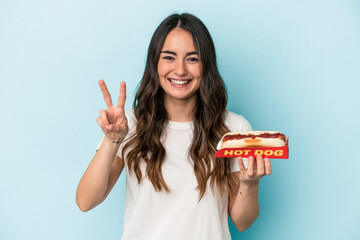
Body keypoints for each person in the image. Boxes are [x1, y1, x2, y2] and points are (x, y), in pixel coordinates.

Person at [76, 13, 272, 240]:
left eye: (192, 59)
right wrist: (112, 140)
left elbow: (242, 221)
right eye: (169, 57)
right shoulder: (128, 125)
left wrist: (250, 184)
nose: (180, 70)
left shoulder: (234, 127)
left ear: (206, 65)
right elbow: (85, 201)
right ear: (154, 63)